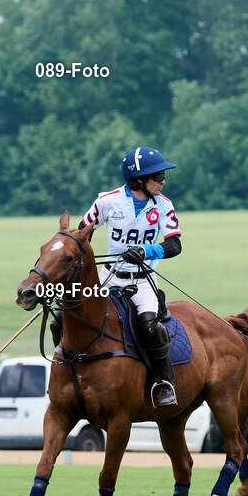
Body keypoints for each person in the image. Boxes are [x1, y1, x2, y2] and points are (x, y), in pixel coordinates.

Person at [79, 147, 182, 407]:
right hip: (109, 277)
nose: (163, 181)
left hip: (144, 281)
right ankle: (65, 365)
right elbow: (82, 232)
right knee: (70, 312)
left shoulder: (164, 205)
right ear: (138, 180)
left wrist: (147, 250)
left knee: (149, 325)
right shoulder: (106, 201)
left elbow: (174, 245)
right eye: (158, 175)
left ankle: (163, 382)